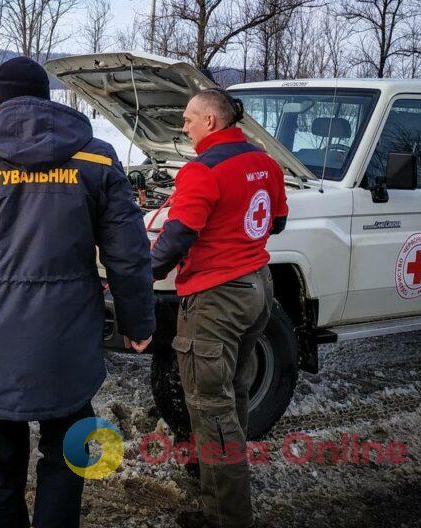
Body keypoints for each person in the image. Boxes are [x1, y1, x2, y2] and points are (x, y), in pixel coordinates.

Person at [0, 56, 155, 528]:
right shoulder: (95, 157)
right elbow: (128, 254)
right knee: (66, 453)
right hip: (66, 339)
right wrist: (138, 323)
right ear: (46, 99)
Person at [150, 88, 287, 528]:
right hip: (258, 289)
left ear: (211, 121)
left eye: (189, 118)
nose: (183, 126)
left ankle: (227, 518)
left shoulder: (201, 170)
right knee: (234, 395)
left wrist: (136, 276)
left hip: (216, 300)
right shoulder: (265, 162)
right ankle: (219, 496)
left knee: (212, 411)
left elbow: (175, 239)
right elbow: (277, 221)